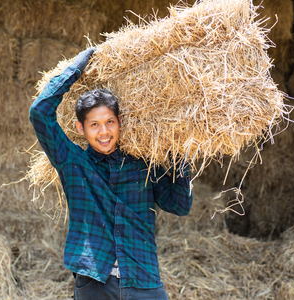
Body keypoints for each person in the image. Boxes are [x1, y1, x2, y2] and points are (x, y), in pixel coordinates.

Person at [29, 48, 193, 300]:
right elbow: (39, 112)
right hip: (95, 281)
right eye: (94, 124)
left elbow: (179, 205)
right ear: (80, 128)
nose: (103, 132)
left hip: (143, 277)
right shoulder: (72, 162)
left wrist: (181, 155)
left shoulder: (143, 164)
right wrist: (75, 70)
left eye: (110, 122)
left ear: (119, 123)